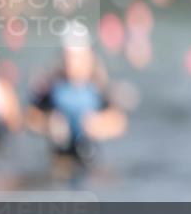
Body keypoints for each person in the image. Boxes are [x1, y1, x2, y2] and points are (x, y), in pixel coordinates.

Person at [25, 41, 126, 172]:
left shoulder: (98, 88)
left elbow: (119, 122)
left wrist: (99, 125)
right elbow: (29, 118)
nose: (72, 64)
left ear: (88, 60)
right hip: (60, 156)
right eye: (69, 58)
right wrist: (48, 123)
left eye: (77, 58)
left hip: (91, 156)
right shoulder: (52, 88)